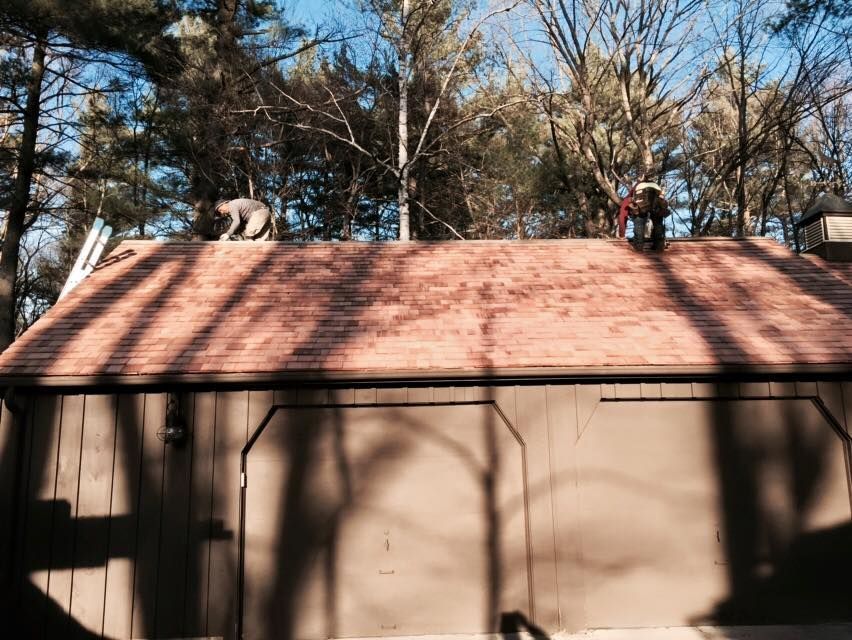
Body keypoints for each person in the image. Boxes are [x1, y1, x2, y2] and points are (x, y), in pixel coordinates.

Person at [617, 181, 669, 251]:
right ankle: (659, 245)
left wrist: (622, 235)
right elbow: (663, 205)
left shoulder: (627, 200)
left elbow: (622, 217)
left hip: (641, 201)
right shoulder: (654, 188)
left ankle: (638, 246)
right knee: (657, 222)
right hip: (657, 199)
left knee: (639, 221)